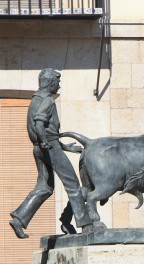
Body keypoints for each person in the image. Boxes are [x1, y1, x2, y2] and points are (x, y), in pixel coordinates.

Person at [9, 68, 94, 239]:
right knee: (73, 184)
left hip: (40, 148)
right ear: (50, 82)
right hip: (48, 147)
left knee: (44, 187)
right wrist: (46, 142)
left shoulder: (35, 99)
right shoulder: (47, 100)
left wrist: (65, 147)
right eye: (57, 82)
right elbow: (39, 123)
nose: (59, 85)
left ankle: (19, 219)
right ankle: (86, 225)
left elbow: (45, 131)